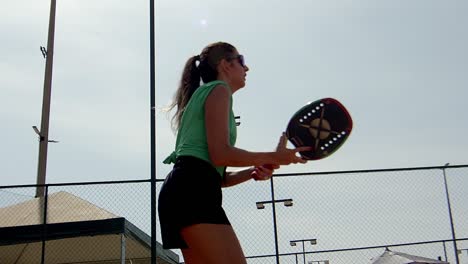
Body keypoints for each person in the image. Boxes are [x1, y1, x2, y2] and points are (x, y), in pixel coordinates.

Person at [158, 41, 310, 264]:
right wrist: (274, 157)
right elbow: (221, 154)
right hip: (191, 191)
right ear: (225, 65)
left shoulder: (209, 94)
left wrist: (253, 170)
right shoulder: (219, 90)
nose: (246, 68)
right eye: (241, 61)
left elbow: (217, 175)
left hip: (187, 191)